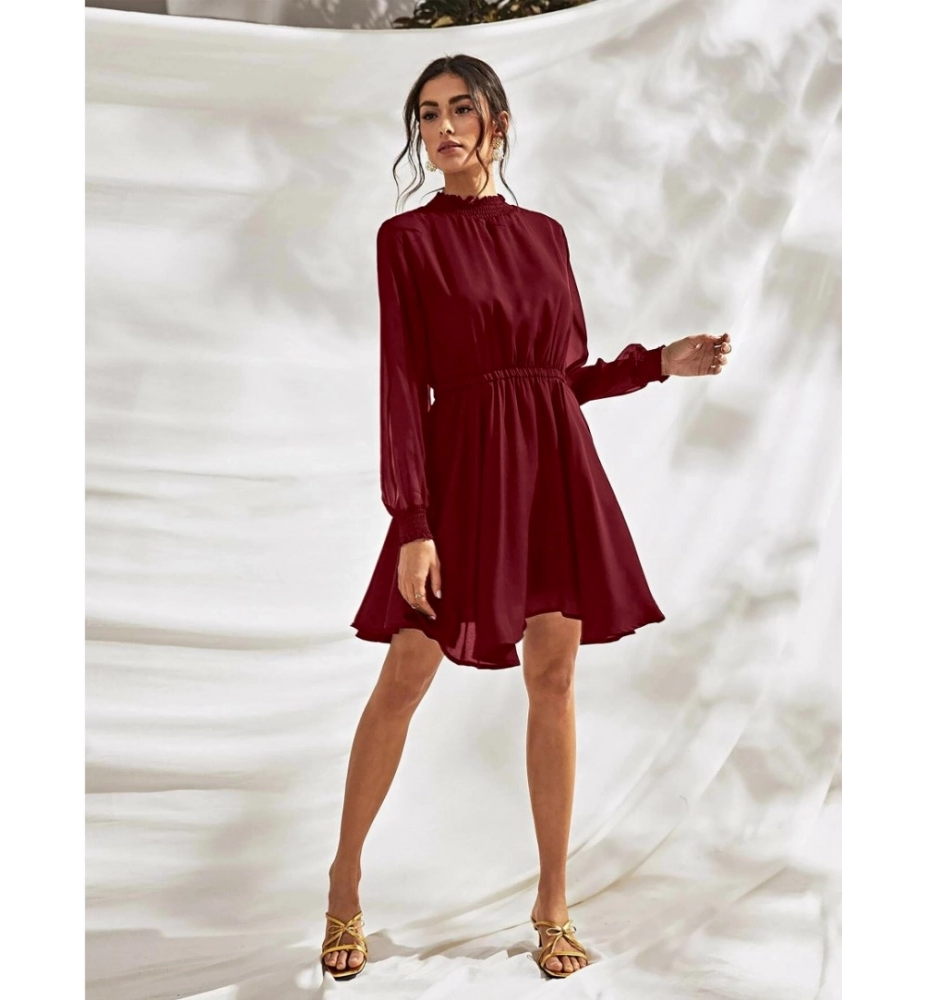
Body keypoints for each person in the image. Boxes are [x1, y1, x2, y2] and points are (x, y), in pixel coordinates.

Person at [322, 54, 731, 982]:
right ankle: (344, 879)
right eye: (428, 114)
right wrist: (413, 519)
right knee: (407, 674)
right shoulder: (406, 241)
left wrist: (656, 363)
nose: (442, 128)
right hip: (461, 477)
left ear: (497, 122)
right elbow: (401, 386)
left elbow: (561, 379)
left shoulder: (546, 235)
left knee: (554, 677)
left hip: (552, 472)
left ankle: (553, 901)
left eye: (460, 110)